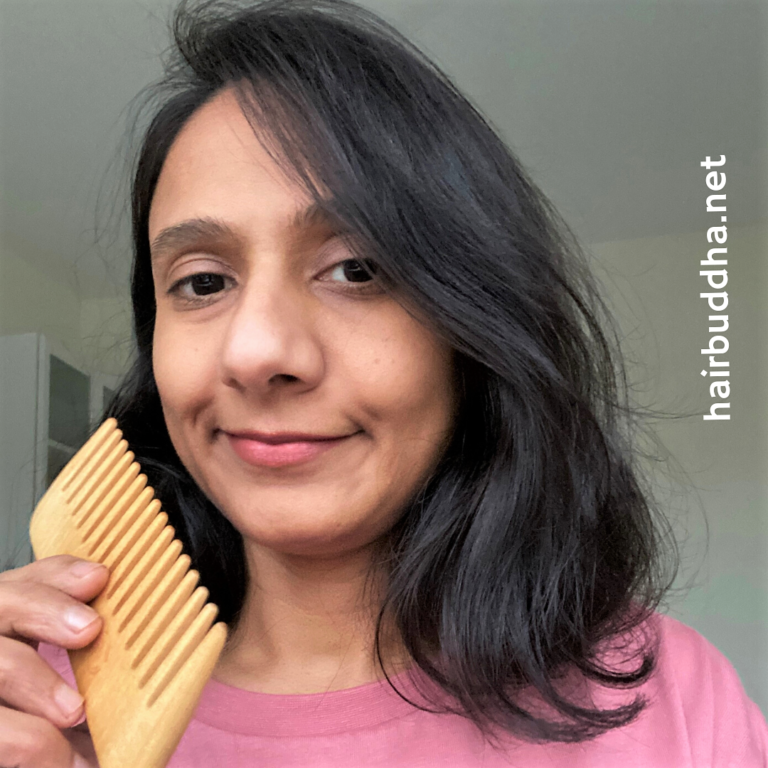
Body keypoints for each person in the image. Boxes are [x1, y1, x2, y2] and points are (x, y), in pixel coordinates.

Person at [1, 0, 766, 765]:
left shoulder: (670, 708)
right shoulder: (42, 703)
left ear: (471, 325)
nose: (256, 351)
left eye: (356, 269)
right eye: (203, 282)